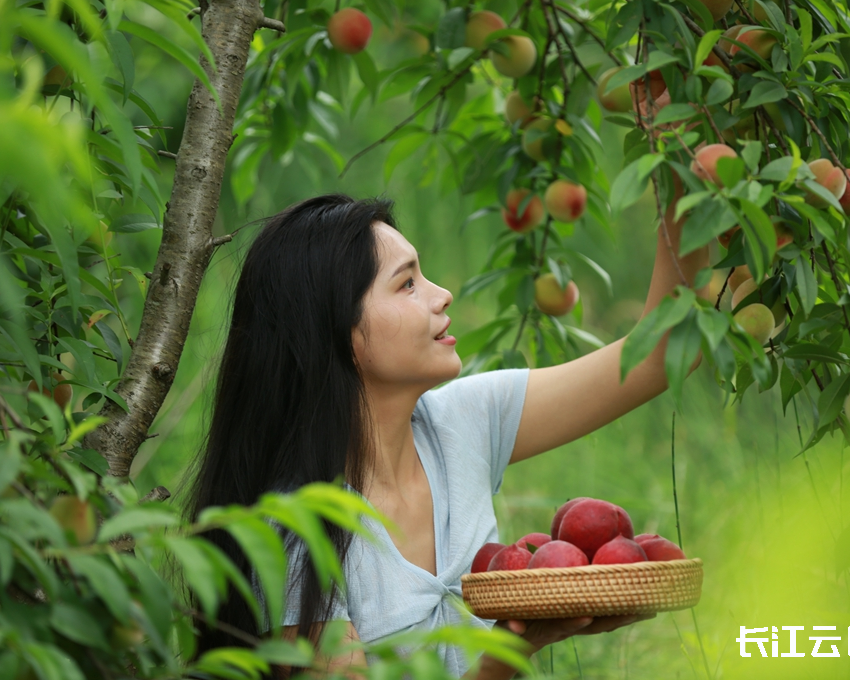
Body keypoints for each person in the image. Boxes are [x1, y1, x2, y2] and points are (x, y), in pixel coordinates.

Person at [186, 188, 708, 679]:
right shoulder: (294, 535)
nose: (442, 295)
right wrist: (512, 649)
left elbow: (660, 354)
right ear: (335, 330)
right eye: (407, 283)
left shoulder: (462, 423)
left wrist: (679, 157)